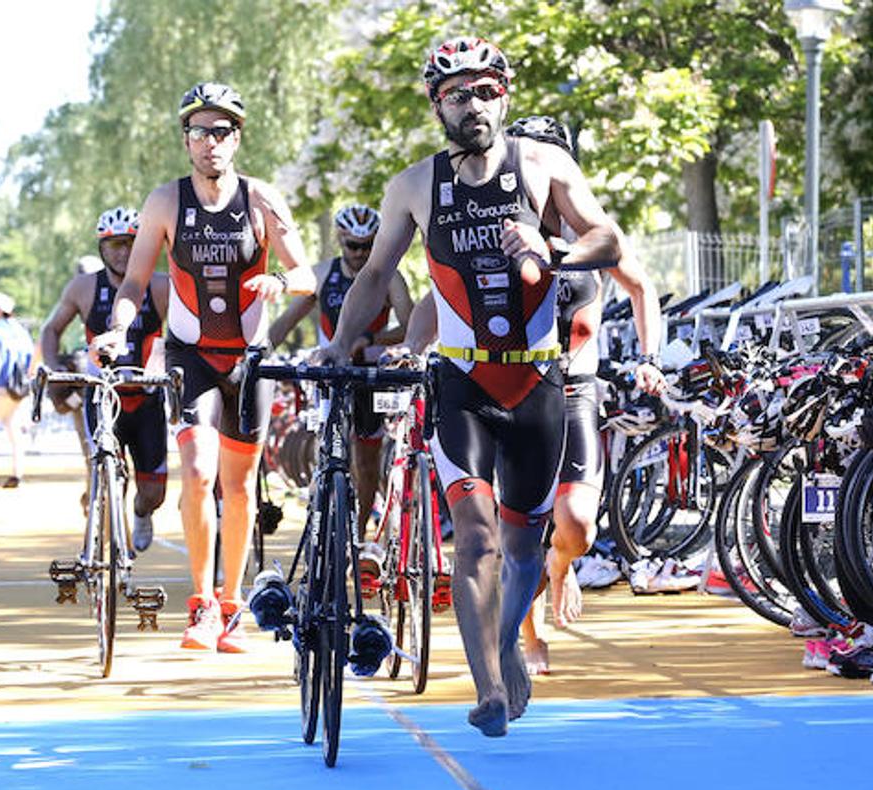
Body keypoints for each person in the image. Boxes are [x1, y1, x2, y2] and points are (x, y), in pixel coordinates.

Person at [319, 37, 643, 737]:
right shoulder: (413, 185)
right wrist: (342, 345)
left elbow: (608, 239)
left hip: (537, 378)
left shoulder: (544, 165)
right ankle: (489, 687)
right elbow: (376, 275)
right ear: (437, 104)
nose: (475, 105)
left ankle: (506, 645)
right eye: (458, 93)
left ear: (506, 95)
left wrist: (550, 252)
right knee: (473, 536)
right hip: (461, 377)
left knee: (526, 544)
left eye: (487, 90)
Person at [94, 82, 315, 654]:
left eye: (222, 132)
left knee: (237, 488)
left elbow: (308, 277)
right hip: (190, 355)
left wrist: (281, 281)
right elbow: (137, 281)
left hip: (248, 359)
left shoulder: (261, 199)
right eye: (200, 132)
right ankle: (201, 605)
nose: (211, 143)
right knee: (196, 471)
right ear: (186, 140)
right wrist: (119, 329)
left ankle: (233, 602)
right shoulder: (165, 202)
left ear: (236, 138)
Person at [494, 115, 667, 675]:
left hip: (575, 391)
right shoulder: (503, 230)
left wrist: (649, 358)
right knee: (519, 527)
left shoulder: (592, 234)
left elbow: (642, 290)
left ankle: (562, 566)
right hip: (516, 391)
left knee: (577, 526)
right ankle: (530, 633)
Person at [266, 203, 413, 541]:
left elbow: (409, 326)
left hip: (368, 374)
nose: (361, 254)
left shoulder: (389, 276)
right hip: (330, 374)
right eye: (353, 246)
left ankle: (357, 536)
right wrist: (259, 352)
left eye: (368, 246)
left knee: (366, 462)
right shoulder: (324, 273)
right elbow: (285, 323)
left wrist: (371, 339)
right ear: (340, 240)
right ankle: (323, 511)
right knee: (327, 449)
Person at [40, 207, 172, 551]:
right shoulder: (83, 287)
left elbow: (189, 329)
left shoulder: (160, 285)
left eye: (129, 244)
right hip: (102, 396)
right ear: (102, 248)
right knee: (106, 473)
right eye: (114, 245)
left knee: (153, 494)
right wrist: (54, 371)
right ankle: (111, 541)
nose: (122, 252)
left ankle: (142, 514)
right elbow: (51, 330)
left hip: (147, 397)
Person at [0, 291, 34, 489]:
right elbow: (31, 360)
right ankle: (16, 474)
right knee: (14, 431)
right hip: (19, 390)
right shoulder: (22, 331)